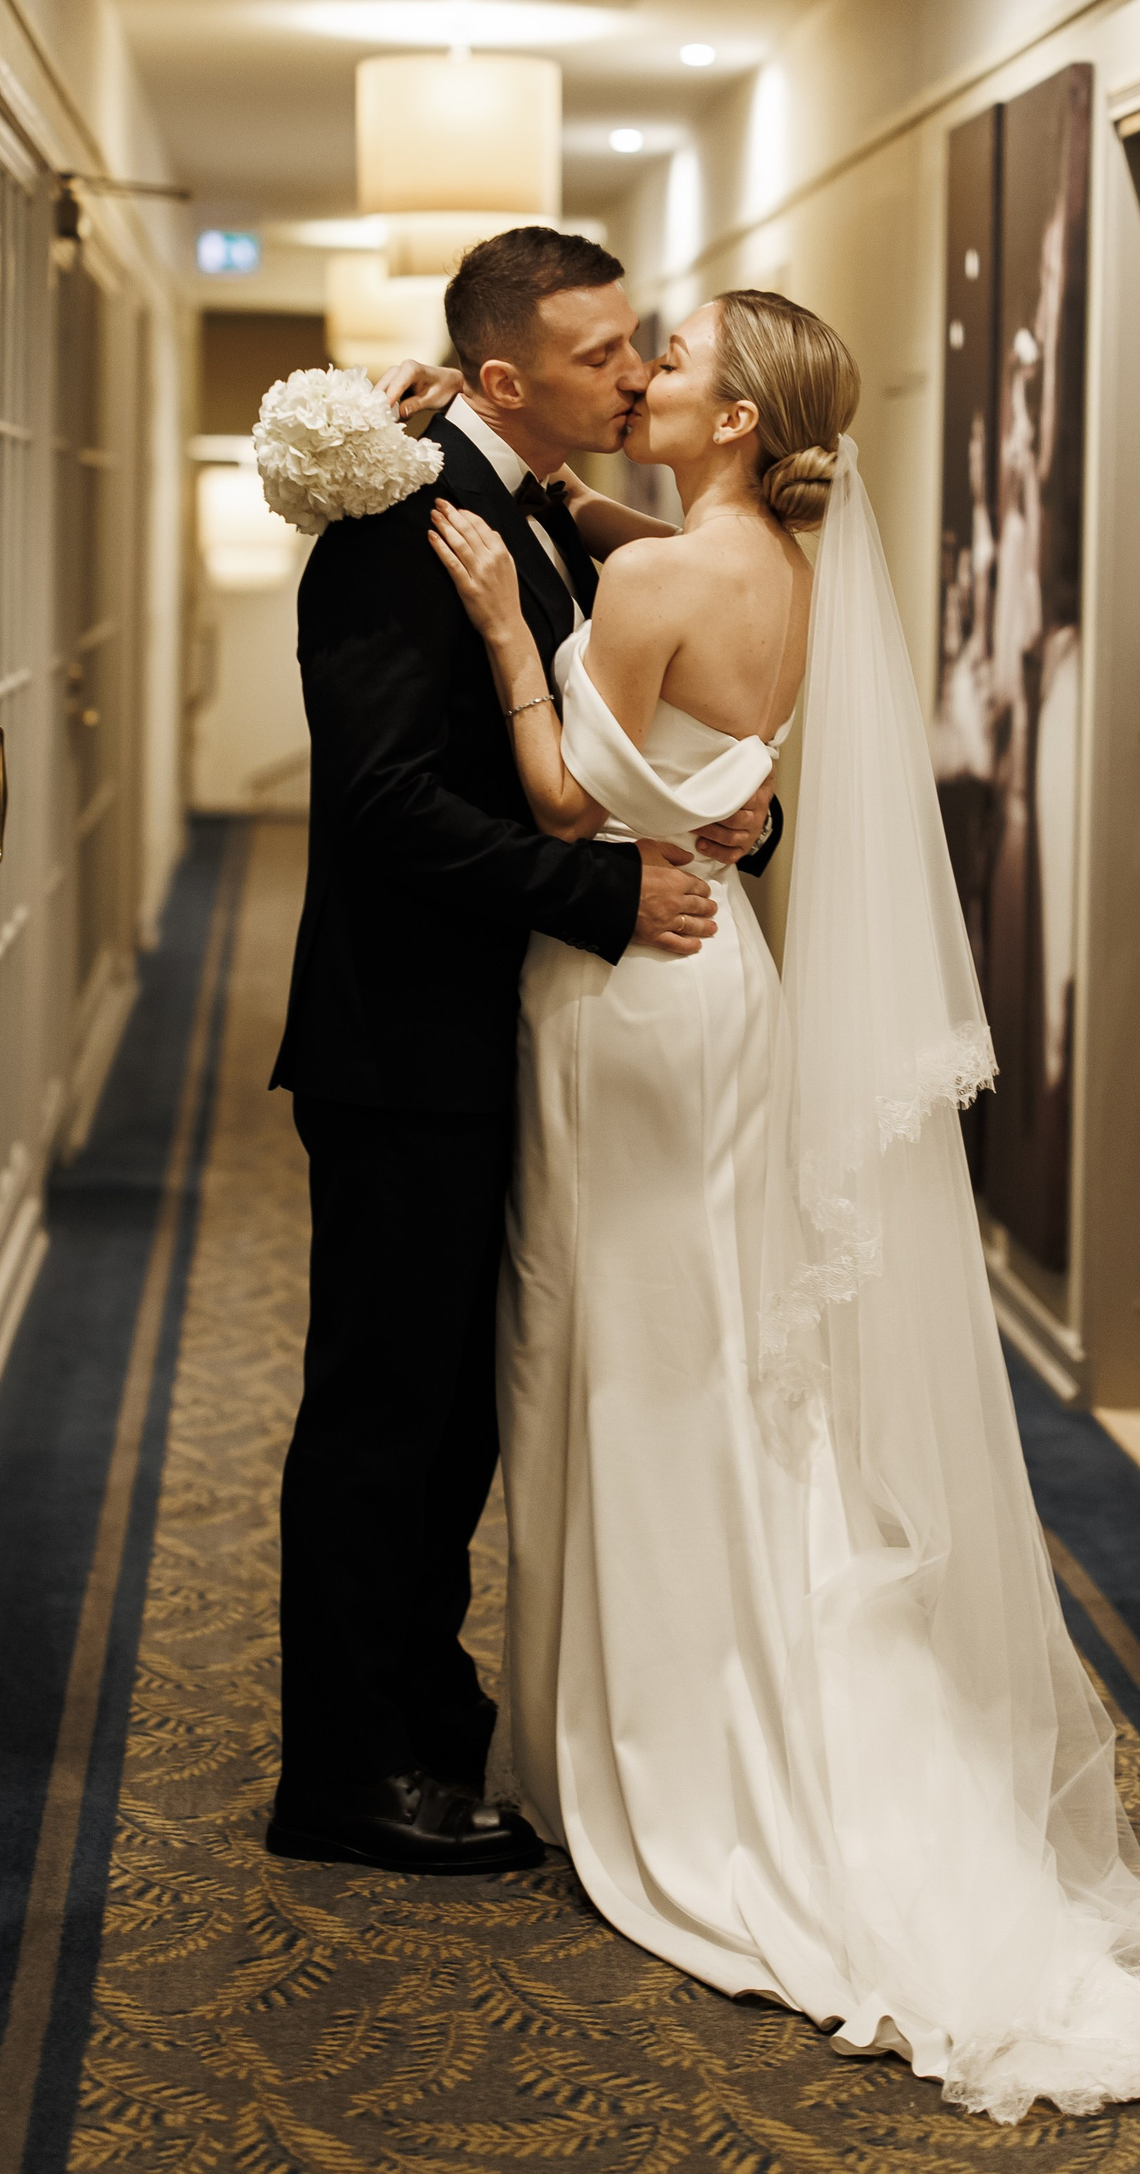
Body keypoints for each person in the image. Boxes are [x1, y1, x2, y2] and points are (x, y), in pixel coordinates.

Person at [425, 286, 1140, 2120]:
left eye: (675, 364)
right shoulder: (784, 566)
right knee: (716, 1353)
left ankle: (673, 1740)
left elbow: (566, 802)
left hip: (630, 1002)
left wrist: (509, 626)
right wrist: (566, 514)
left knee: (628, 1354)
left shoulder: (657, 585)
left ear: (742, 419)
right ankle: (724, 1689)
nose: (645, 378)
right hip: (726, 986)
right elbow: (688, 694)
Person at [265, 227, 779, 1877]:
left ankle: (423, 1704)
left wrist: (723, 822)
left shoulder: (544, 507)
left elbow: (630, 744)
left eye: (641, 343)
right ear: (505, 377)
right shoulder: (398, 526)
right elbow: (385, 804)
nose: (632, 374)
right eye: (600, 354)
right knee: (386, 1417)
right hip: (403, 1044)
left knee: (460, 1420)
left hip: (515, 1035)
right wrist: (603, 894)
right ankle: (344, 1772)